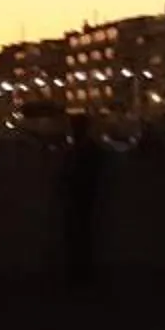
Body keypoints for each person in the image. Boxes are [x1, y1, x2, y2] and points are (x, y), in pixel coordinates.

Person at [58, 113, 106, 287]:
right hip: (86, 196)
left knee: (78, 235)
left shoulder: (76, 150)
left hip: (79, 196)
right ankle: (83, 274)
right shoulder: (91, 149)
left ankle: (79, 274)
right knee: (84, 235)